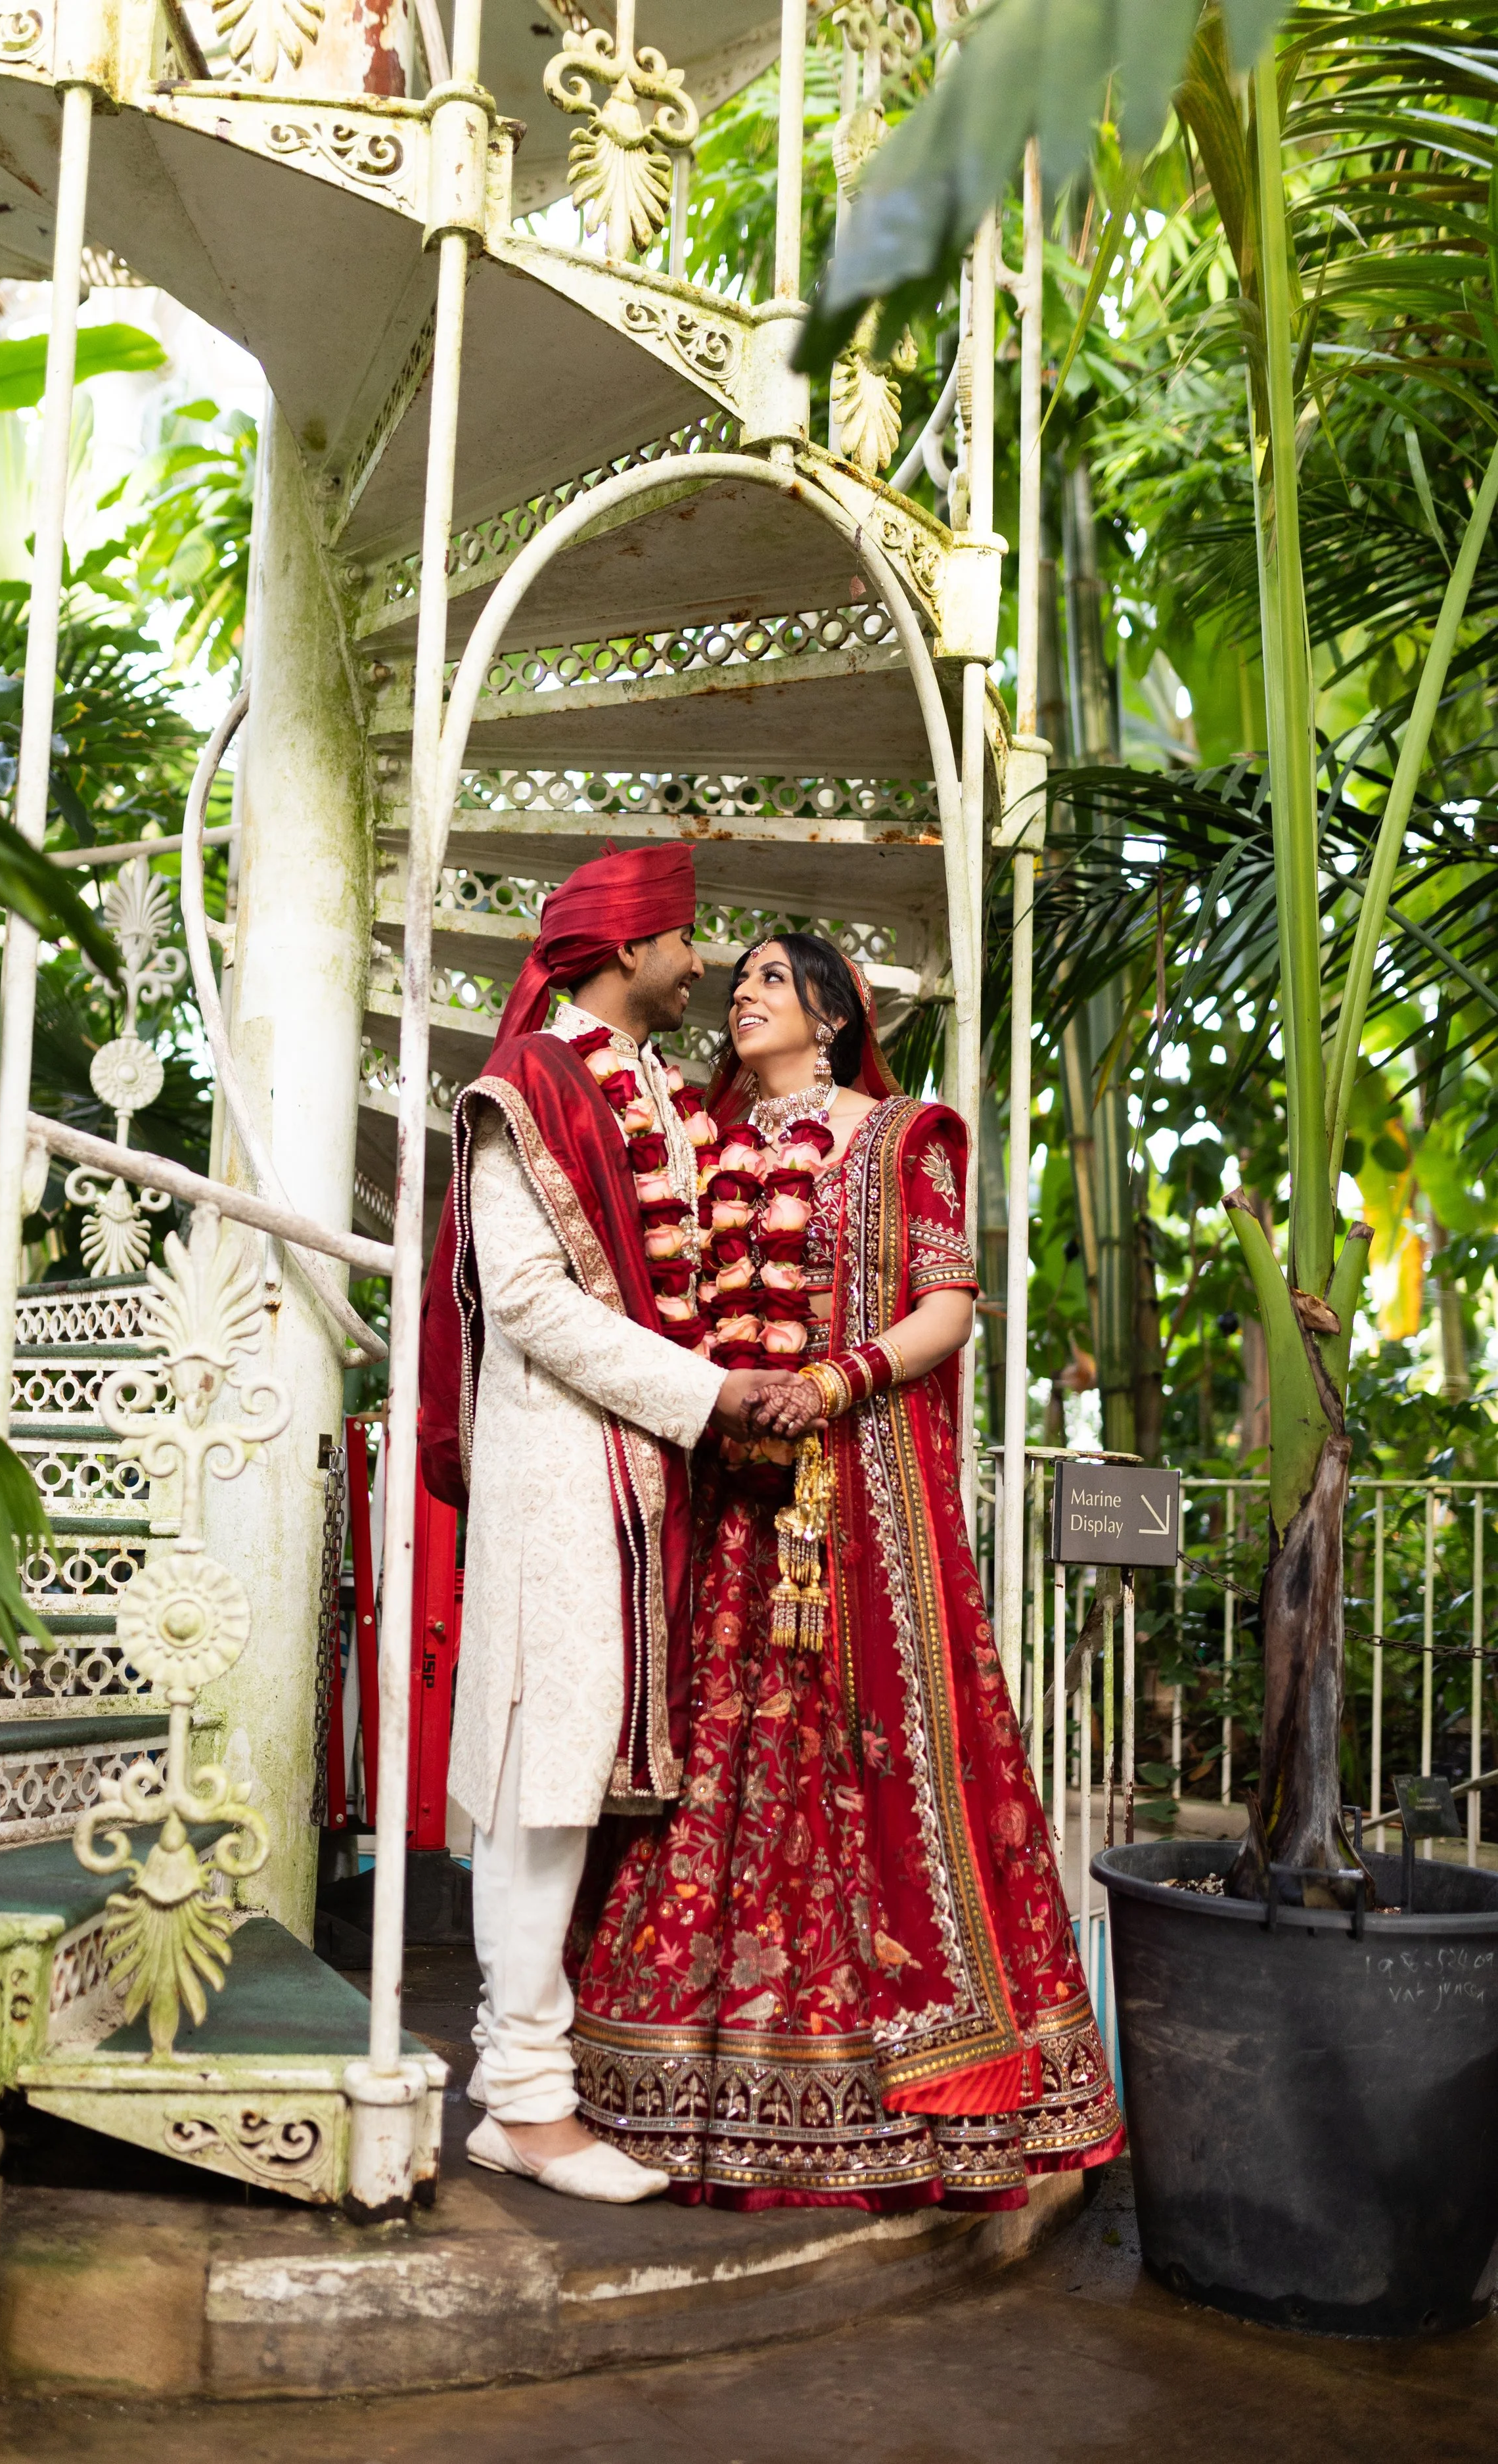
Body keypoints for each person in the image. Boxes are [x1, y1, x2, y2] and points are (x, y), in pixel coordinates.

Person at [570, 934, 1125, 2208]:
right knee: (718, 1761)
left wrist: (834, 1379)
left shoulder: (899, 1137)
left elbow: (945, 1306)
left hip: (859, 1498)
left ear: (829, 1011)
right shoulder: (696, 1140)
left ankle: (910, 2089)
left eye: (769, 978)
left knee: (869, 1760)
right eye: (738, 982)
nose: (741, 996)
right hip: (727, 1505)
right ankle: (690, 2091)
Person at [419, 844, 800, 2204]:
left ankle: (531, 2081)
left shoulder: (655, 1091)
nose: (699, 963)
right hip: (563, 1469)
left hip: (649, 1479)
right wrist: (711, 1393)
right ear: (625, 945)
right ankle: (518, 2101)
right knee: (542, 1778)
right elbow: (524, 1300)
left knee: (586, 1787)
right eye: (684, 939)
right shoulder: (520, 1088)